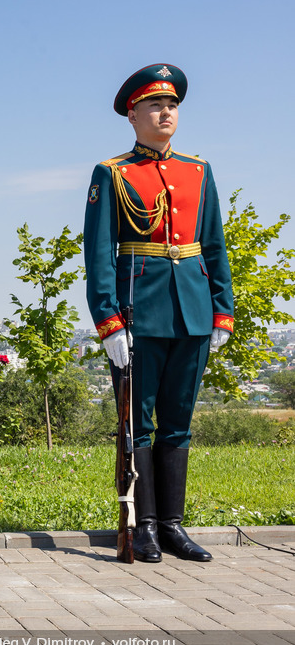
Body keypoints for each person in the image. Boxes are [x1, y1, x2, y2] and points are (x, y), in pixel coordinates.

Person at [84, 64, 233, 563]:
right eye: (154, 105)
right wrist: (108, 321)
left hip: (191, 310)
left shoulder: (198, 171)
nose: (166, 112)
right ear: (132, 115)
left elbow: (213, 245)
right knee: (138, 426)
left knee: (179, 423)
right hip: (139, 312)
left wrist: (222, 312)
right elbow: (100, 252)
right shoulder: (113, 174)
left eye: (172, 106)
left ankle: (172, 525)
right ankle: (143, 525)